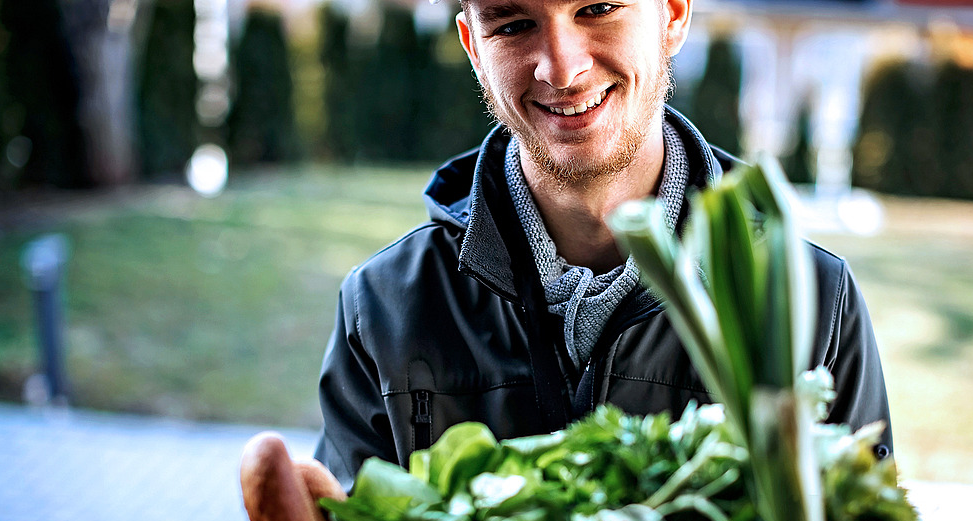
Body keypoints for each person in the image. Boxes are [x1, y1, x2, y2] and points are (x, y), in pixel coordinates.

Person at [313, 0, 892, 493]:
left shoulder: (814, 301)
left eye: (597, 8)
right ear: (473, 47)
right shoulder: (385, 308)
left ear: (673, 13)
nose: (561, 68)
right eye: (511, 23)